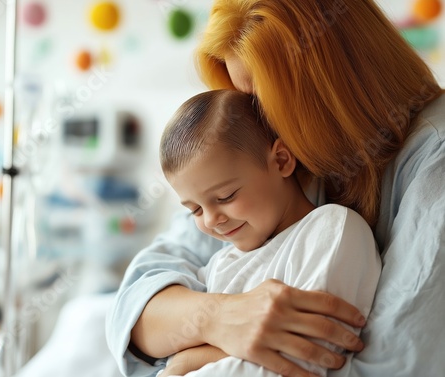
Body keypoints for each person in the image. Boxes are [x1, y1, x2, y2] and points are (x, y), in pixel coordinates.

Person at [107, 0, 445, 376]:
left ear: (330, 81)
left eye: (265, 103)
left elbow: (389, 364)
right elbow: (136, 306)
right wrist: (218, 318)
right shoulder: (257, 175)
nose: (258, 125)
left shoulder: (433, 164)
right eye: (248, 101)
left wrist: (190, 358)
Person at [155, 89, 381, 377]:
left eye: (225, 196)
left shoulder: (330, 230)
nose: (211, 220)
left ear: (282, 161)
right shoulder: (221, 263)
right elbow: (170, 345)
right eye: (195, 210)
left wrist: (189, 362)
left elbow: (303, 358)